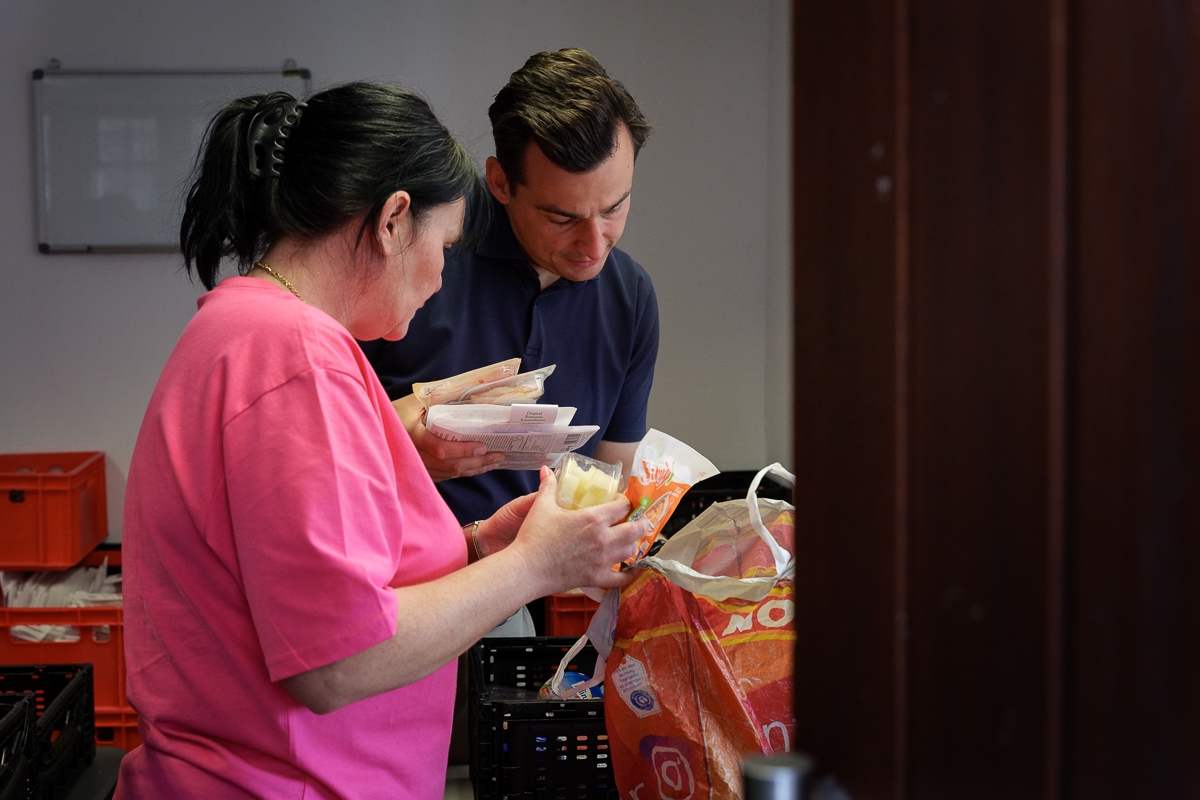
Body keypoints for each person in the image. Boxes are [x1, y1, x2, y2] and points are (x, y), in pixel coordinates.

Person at [113, 82, 647, 800]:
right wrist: (533, 566)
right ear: (394, 220)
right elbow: (338, 662)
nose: (442, 276)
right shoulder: (297, 356)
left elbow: (323, 577)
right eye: (445, 246)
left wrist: (479, 546)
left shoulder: (251, 328)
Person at [360, 50, 659, 629]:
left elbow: (611, 475)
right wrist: (402, 446)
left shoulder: (630, 297)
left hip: (533, 591)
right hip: (393, 579)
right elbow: (320, 445)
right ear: (500, 182)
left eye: (614, 208)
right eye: (561, 218)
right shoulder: (423, 254)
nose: (594, 243)